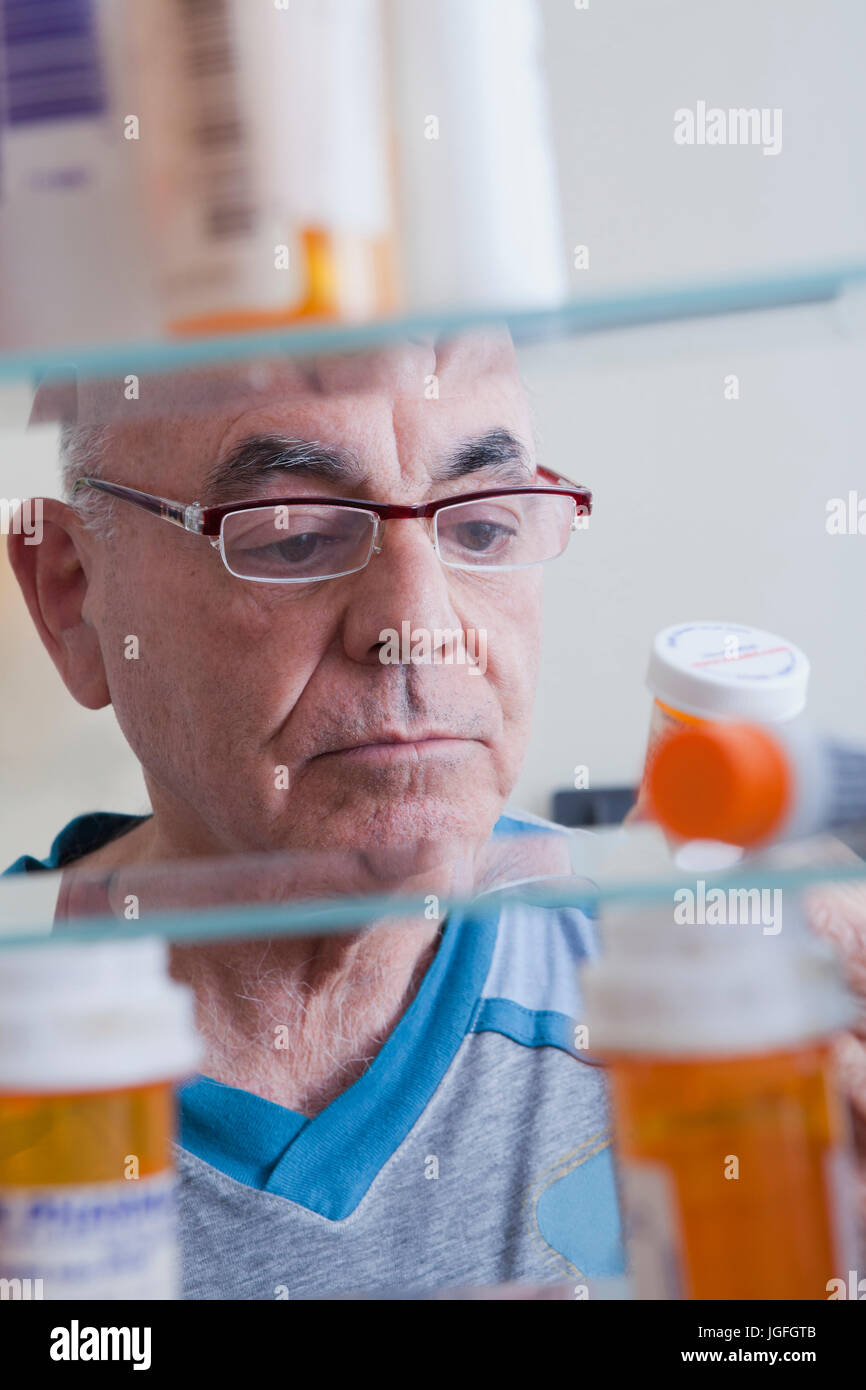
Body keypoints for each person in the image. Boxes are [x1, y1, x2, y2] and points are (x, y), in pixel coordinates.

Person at [4, 332, 625, 1297]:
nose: (419, 627)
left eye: (483, 528)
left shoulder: (701, 984)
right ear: (75, 600)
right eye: (292, 534)